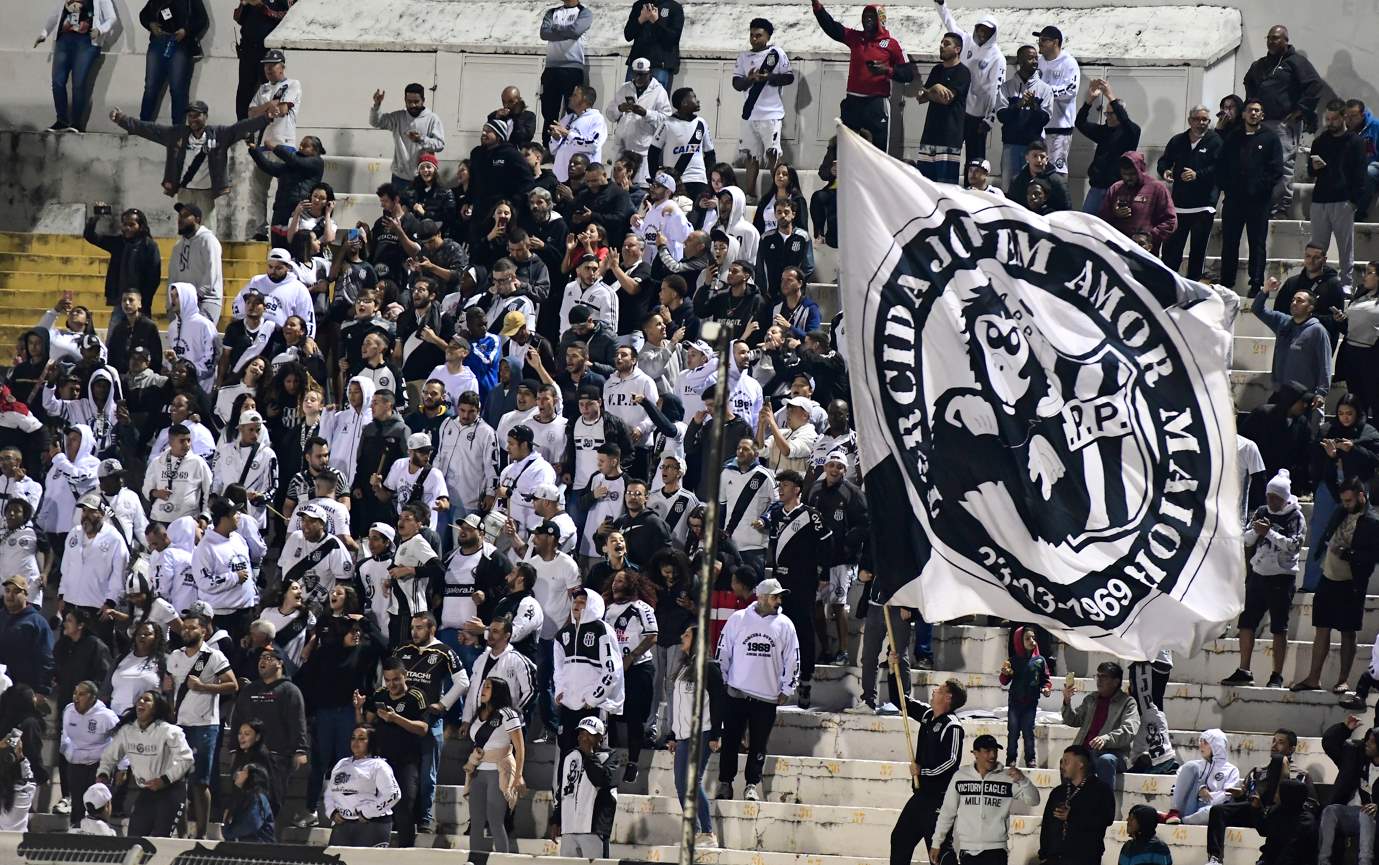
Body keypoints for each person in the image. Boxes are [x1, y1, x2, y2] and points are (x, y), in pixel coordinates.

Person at [109, 101, 270, 229]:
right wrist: (122, 120)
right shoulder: (177, 134)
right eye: (190, 116)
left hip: (206, 192)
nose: (192, 119)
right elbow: (148, 129)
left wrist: (266, 117)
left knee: (207, 230)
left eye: (197, 115)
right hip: (185, 191)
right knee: (186, 228)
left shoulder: (219, 134)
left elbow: (241, 127)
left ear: (205, 116)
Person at [1293, 478, 1379, 693]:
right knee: (1321, 629)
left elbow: (1372, 556)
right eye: (1344, 500)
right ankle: (1314, 677)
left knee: (1348, 632)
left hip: (1351, 582)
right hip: (1328, 577)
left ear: (1361, 495)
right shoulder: (1341, 512)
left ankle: (1343, 679)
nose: (1346, 504)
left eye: (1349, 500)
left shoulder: (1372, 521)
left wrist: (1347, 554)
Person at [714, 578, 797, 801]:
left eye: (780, 597)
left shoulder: (785, 624)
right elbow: (723, 650)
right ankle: (725, 783)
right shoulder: (738, 619)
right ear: (760, 596)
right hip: (737, 691)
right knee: (730, 741)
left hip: (767, 695)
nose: (779, 601)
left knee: (759, 744)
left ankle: (752, 784)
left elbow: (792, 658)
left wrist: (788, 687)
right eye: (775, 596)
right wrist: (721, 680)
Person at [1222, 469, 1306, 688]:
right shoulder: (1261, 511)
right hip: (1259, 575)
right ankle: (1244, 669)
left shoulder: (1295, 516)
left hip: (1282, 577)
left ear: (1284, 497)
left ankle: (1276, 675)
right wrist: (1257, 531)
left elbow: (1293, 545)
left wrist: (1269, 533)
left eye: (1275, 497)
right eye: (1269, 496)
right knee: (1246, 623)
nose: (1271, 500)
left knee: (1279, 628)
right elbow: (1246, 539)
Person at [1204, 728, 1318, 865]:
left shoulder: (1300, 775)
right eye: (1273, 741)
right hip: (1256, 810)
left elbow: (1311, 803)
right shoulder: (1258, 771)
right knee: (1217, 810)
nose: (1274, 745)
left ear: (1291, 749)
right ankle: (1215, 858)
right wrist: (1240, 795)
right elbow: (1245, 796)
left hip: (1280, 816)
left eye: (1280, 742)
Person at [811, 1, 912, 152]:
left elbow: (908, 74)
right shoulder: (855, 37)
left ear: (880, 19)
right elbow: (832, 27)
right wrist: (817, 7)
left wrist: (886, 70)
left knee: (878, 151)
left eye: (871, 16)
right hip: (853, 102)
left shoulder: (892, 44)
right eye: (864, 16)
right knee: (847, 148)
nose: (867, 19)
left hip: (876, 104)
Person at [1243, 25, 1323, 216]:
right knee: (1259, 163)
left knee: (1282, 164)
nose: (1271, 41)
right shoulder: (1260, 64)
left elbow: (1314, 85)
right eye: (1269, 38)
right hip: (1260, 123)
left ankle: (1279, 207)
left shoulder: (1296, 62)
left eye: (1276, 38)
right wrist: (1251, 107)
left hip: (1283, 124)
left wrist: (1300, 110)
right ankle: (1261, 204)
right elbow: (1249, 82)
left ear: (1286, 40)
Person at [97, 690, 195, 837]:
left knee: (161, 840)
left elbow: (187, 758)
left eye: (147, 700)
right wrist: (103, 773)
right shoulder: (127, 731)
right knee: (134, 838)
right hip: (147, 792)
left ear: (156, 708)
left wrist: (165, 780)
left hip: (171, 791)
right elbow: (109, 757)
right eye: (140, 699)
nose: (141, 702)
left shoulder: (170, 731)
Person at [931, 734, 1039, 865]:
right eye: (987, 751)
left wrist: (1023, 780)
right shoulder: (961, 776)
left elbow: (1034, 800)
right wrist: (936, 842)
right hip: (968, 850)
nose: (992, 755)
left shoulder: (1007, 777)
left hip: (997, 850)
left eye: (995, 751)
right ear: (975, 753)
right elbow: (947, 811)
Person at [356, 656, 429, 847]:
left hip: (407, 761)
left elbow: (423, 728)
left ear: (404, 676)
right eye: (387, 680)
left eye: (396, 679)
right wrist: (358, 709)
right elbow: (365, 725)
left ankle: (406, 852)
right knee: (376, 806)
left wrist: (396, 718)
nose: (391, 684)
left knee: (404, 807)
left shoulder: (416, 696)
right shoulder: (380, 695)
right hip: (380, 763)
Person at [1216, 98, 1284, 298]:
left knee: (1257, 243)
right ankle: (1227, 283)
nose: (1253, 114)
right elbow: (1221, 165)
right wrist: (1228, 187)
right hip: (1234, 200)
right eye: (1250, 110)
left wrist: (1260, 188)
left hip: (1258, 202)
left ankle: (1255, 284)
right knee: (1229, 242)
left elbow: (1276, 169)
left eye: (1257, 111)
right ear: (1244, 114)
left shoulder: (1270, 138)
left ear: (1262, 115)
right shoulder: (1233, 138)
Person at [666, 622, 723, 847]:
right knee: (681, 785)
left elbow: (718, 703)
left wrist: (715, 735)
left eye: (687, 635)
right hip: (683, 736)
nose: (682, 636)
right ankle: (696, 831)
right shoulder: (683, 668)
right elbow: (680, 706)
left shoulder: (709, 667)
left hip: (701, 733)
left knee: (692, 782)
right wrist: (672, 733)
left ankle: (708, 833)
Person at [1158, 105, 1223, 280]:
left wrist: (1197, 175)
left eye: (1205, 120)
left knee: (1197, 251)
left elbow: (1219, 168)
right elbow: (1164, 161)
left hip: (1203, 206)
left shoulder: (1215, 141)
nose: (1201, 123)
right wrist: (1165, 171)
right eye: (1197, 119)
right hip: (1179, 205)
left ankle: (1193, 284)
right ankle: (1168, 283)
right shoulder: (1177, 140)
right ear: (1189, 120)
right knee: (1172, 251)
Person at [1310, 99, 1369, 292]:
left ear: (1344, 117)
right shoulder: (1320, 141)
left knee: (1345, 247)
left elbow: (1360, 174)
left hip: (1343, 199)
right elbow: (1311, 172)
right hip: (1320, 199)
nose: (1330, 122)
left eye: (1334, 118)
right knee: (1317, 247)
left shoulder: (1355, 142)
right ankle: (1316, 280)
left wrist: (1354, 201)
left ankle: (1346, 284)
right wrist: (1314, 167)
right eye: (1327, 118)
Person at [464, 677, 526, 853]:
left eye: (488, 687)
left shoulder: (508, 714)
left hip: (498, 773)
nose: (483, 690)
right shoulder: (479, 713)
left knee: (495, 821)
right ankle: (474, 859)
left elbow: (520, 749)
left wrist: (519, 775)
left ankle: (502, 861)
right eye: (483, 686)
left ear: (497, 691)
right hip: (478, 772)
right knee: (475, 822)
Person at [733, 20, 794, 197]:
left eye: (758, 35)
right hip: (749, 114)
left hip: (771, 113)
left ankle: (780, 195)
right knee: (751, 157)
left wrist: (770, 78)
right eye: (752, 35)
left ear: (768, 36)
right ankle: (750, 195)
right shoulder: (743, 57)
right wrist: (750, 79)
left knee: (773, 154)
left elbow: (789, 78)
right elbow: (736, 84)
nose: (754, 39)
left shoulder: (776, 53)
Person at [37, 0, 117, 132]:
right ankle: (62, 121)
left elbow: (111, 17)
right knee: (57, 81)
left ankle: (76, 124)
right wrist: (45, 33)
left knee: (79, 83)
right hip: (64, 39)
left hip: (86, 42)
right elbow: (56, 14)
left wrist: (100, 30)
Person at [1060, 660, 1140, 789]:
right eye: (1098, 676)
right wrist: (1067, 701)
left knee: (1105, 760)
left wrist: (1106, 738)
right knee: (1068, 760)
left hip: (1113, 754)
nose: (1099, 680)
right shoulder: (1091, 699)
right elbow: (1073, 720)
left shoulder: (1127, 702)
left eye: (1104, 676)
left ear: (1116, 681)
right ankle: (1067, 803)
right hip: (1086, 752)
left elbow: (1129, 729)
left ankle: (1105, 805)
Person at [1252, 279, 1332, 401]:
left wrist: (1321, 392)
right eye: (1293, 300)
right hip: (1280, 391)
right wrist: (1266, 290)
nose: (1294, 303)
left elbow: (1324, 364)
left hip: (1302, 395)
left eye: (1300, 301)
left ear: (1310, 307)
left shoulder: (1318, 330)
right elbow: (1257, 309)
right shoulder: (1282, 321)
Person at [550, 715, 619, 857]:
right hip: (569, 827)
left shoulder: (610, 756)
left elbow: (602, 780)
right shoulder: (570, 756)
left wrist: (588, 754)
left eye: (590, 734)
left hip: (594, 829)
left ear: (601, 737)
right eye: (581, 733)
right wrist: (556, 820)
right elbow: (563, 790)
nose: (584, 738)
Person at [83, 206, 161, 329]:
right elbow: (90, 236)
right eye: (124, 224)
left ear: (140, 226)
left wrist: (143, 300)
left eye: (131, 224)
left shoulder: (149, 246)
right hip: (120, 302)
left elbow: (154, 277)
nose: (127, 228)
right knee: (113, 340)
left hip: (140, 305)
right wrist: (96, 218)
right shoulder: (118, 243)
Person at [1037, 745, 1117, 865]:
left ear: (1080, 764)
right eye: (1061, 762)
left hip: (1084, 857)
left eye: (1066, 762)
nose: (1062, 766)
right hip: (1054, 858)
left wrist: (1072, 816)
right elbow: (1047, 824)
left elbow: (1106, 819)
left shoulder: (1100, 789)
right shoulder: (1058, 791)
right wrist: (1044, 853)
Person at [324, 725, 401, 848]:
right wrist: (332, 812)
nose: (356, 742)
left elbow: (394, 794)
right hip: (343, 825)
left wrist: (367, 812)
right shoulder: (341, 763)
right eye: (353, 738)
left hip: (372, 825)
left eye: (361, 738)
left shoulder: (379, 765)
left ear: (371, 742)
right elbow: (329, 792)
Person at [1319, 716, 1379, 865]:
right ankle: (1323, 861)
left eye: (1372, 742)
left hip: (1375, 817)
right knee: (1330, 811)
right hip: (1352, 813)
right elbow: (1329, 743)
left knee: (1366, 814)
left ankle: (1365, 862)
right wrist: (1344, 728)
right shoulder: (1357, 759)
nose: (1367, 743)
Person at [136, 0, 208, 125]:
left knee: (177, 89)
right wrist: (150, 24)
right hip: (158, 41)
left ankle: (177, 131)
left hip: (180, 44)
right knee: (150, 87)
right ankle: (143, 126)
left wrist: (186, 31)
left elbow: (201, 19)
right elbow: (144, 14)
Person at [1076, 78, 1141, 214]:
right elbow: (1080, 123)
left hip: (1119, 189)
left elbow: (1126, 121)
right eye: (1107, 113)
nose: (1109, 117)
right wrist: (1089, 101)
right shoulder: (1103, 131)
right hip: (1097, 188)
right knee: (1086, 224)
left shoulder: (1131, 132)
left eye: (1113, 114)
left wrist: (1110, 96)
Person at [59, 680, 118, 829]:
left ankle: (102, 835)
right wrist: (66, 751)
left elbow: (120, 740)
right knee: (77, 805)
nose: (76, 697)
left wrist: (122, 767)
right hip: (76, 765)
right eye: (75, 693)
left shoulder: (106, 716)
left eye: (81, 694)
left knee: (97, 805)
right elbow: (64, 734)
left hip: (98, 765)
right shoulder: (69, 710)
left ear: (92, 697)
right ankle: (75, 836)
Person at [914, 31, 971, 184]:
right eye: (941, 43)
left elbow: (945, 99)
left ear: (957, 49)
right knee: (925, 184)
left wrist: (930, 92)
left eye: (946, 44)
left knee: (945, 187)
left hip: (948, 139)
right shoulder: (936, 70)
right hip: (929, 136)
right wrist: (935, 87)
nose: (941, 46)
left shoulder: (963, 72)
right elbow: (921, 97)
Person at [370, 83, 446, 191]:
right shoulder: (398, 117)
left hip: (423, 177)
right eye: (409, 102)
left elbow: (440, 144)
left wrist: (421, 139)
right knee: (398, 207)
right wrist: (376, 105)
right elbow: (376, 122)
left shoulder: (432, 119)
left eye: (416, 102)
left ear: (423, 100)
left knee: (420, 208)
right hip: (399, 178)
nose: (413, 105)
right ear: (405, 100)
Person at [995, 44, 1053, 185]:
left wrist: (1034, 106)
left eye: (1036, 58)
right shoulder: (1006, 87)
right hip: (1011, 145)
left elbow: (1045, 119)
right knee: (1009, 186)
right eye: (1030, 58)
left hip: (1033, 147)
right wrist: (1019, 105)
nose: (1034, 61)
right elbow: (1001, 116)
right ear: (1020, 61)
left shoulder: (1045, 89)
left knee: (1033, 187)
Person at [1099, 152, 1177, 253]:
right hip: (1120, 250)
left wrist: (1149, 236)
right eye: (1124, 174)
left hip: (1146, 252)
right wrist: (1115, 213)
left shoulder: (1157, 188)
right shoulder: (1116, 189)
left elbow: (1171, 221)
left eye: (1132, 174)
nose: (1128, 178)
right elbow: (1102, 220)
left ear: (1141, 171)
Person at [1160, 728, 1240, 826]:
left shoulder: (1231, 770)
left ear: (1216, 746)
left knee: (1213, 812)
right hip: (1190, 806)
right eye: (1200, 741)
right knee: (1191, 766)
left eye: (1205, 742)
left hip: (1209, 809)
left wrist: (1209, 797)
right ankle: (1173, 813)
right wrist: (1199, 789)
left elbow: (1227, 795)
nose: (1201, 745)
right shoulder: (1195, 766)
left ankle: (1181, 820)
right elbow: (1178, 788)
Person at [649, 88, 717, 200]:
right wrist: (656, 178)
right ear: (684, 103)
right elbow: (653, 153)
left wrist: (709, 180)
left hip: (699, 180)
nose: (698, 101)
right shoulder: (666, 124)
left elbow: (710, 155)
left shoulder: (701, 123)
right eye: (694, 97)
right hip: (676, 182)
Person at [999, 626, 1051, 768]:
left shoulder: (1040, 661)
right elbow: (1004, 681)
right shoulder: (1013, 661)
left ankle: (1030, 759)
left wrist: (1046, 688)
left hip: (1030, 702)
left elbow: (1045, 679)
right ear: (1018, 641)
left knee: (1028, 731)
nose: (1032, 641)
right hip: (1015, 702)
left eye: (1033, 638)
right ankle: (1011, 759)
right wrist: (1005, 673)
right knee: (1013, 732)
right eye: (1027, 638)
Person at [1031, 25, 1079, 176]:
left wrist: (1046, 92)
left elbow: (1071, 90)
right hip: (1040, 125)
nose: (1040, 43)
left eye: (1044, 40)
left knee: (1057, 170)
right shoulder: (1039, 62)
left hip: (1060, 127)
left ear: (1056, 42)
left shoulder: (1068, 63)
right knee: (1039, 169)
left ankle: (1058, 198)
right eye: (1039, 40)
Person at [0, 578, 53, 699]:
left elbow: (46, 659)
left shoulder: (37, 623)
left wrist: (42, 690)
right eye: (7, 591)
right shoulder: (1, 617)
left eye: (15, 591)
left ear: (25, 595)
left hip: (24, 689)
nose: (10, 595)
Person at [623, 0, 681, 89]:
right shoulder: (639, 5)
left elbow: (673, 39)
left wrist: (656, 22)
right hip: (636, 64)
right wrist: (640, 19)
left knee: (657, 100)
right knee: (630, 99)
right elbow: (628, 35)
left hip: (659, 65)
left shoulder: (674, 7)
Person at [1006, 140, 1070, 211]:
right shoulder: (1017, 181)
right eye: (1035, 156)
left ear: (1047, 159)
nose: (1038, 160)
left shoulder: (1058, 182)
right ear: (1027, 158)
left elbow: (1066, 211)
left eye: (1042, 157)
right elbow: (1010, 208)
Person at [222, 762, 276, 842]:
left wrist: (228, 831)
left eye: (243, 771)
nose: (238, 773)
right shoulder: (244, 796)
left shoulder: (258, 798)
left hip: (260, 847)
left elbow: (252, 823)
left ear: (252, 777)